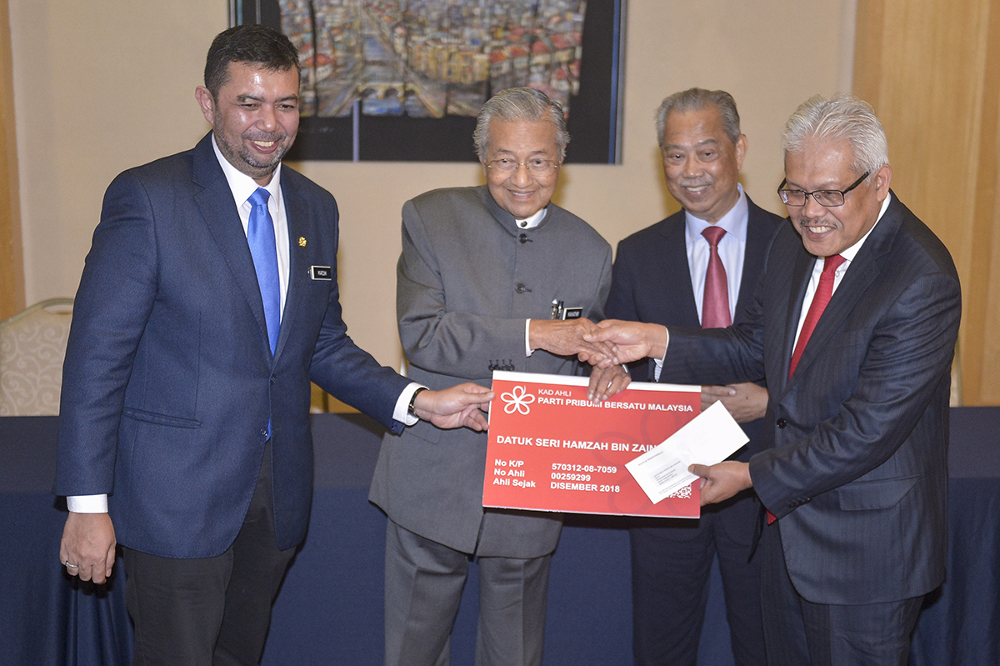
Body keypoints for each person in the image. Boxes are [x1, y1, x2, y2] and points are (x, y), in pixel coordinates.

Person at [54, 24, 493, 666]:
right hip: (175, 503)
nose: (270, 124)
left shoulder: (316, 207)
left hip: (275, 502)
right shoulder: (148, 198)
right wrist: (88, 504)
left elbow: (319, 344)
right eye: (249, 104)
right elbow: (95, 361)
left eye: (286, 105)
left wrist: (418, 400)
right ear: (208, 103)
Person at [585, 94, 961, 666]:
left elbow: (863, 434)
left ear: (880, 180)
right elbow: (757, 342)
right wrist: (658, 341)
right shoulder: (795, 240)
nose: (811, 211)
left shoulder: (919, 279)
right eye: (795, 191)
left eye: (830, 193)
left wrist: (748, 476)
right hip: (787, 539)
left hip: (866, 556)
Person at [369, 87, 625, 666]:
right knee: (413, 649)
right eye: (505, 159)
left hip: (532, 487)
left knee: (515, 654)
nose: (522, 178)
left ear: (560, 159)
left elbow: (594, 351)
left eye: (539, 160)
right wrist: (536, 333)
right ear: (483, 155)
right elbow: (422, 334)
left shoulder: (591, 250)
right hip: (434, 476)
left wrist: (611, 372)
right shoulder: (430, 217)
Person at [604, 88, 781, 666]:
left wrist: (773, 402)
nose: (691, 171)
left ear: (740, 149)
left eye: (706, 152)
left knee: (766, 641)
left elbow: (823, 368)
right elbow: (622, 365)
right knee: (661, 643)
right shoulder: (635, 255)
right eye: (675, 156)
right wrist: (612, 374)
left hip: (766, 477)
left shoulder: (795, 247)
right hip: (666, 477)